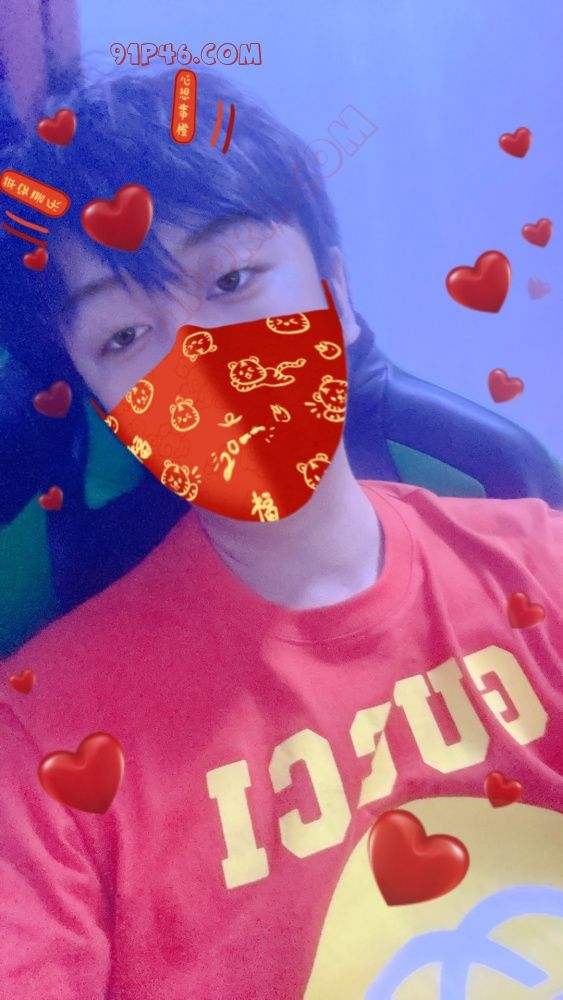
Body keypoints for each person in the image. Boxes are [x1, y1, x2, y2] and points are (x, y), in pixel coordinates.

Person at [1, 66, 563, 1000]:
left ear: (334, 294)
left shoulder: (541, 567)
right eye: (123, 338)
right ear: (106, 410)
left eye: (232, 280)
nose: (202, 368)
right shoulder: (41, 741)